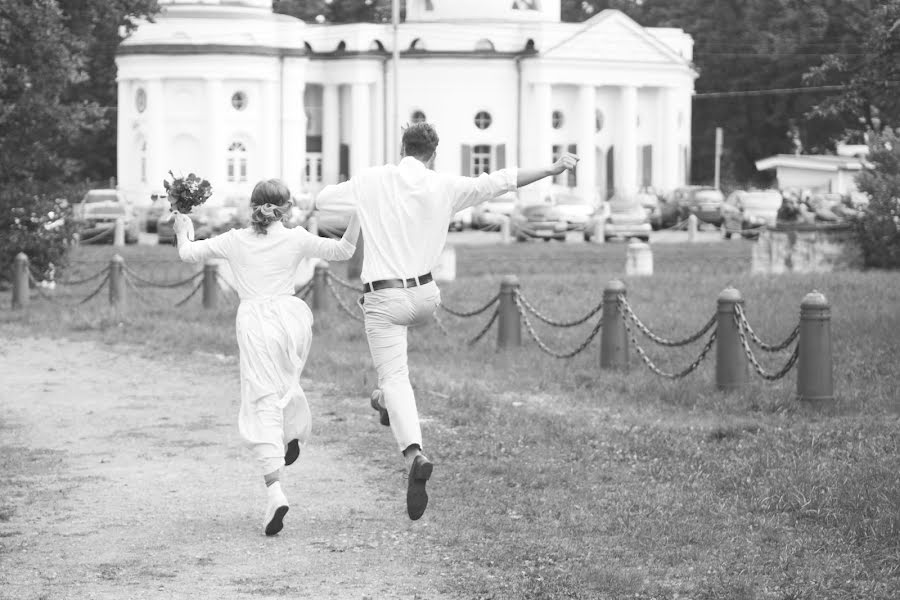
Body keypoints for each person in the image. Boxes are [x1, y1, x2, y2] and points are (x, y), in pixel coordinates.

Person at [315, 122, 578, 520]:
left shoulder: (372, 179)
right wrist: (552, 168)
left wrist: (361, 202)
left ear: (402, 147)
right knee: (391, 381)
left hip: (384, 297)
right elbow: (502, 181)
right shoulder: (445, 186)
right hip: (424, 297)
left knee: (395, 376)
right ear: (432, 154)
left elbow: (321, 201)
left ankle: (414, 453)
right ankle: (384, 401)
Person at [173, 179, 360, 536]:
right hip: (291, 320)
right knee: (284, 385)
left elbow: (188, 253)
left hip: (255, 323)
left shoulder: (235, 240)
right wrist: (359, 216)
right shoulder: (296, 238)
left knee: (261, 401)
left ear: (252, 207)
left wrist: (184, 229)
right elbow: (345, 250)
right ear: (286, 208)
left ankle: (275, 490)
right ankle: (293, 435)